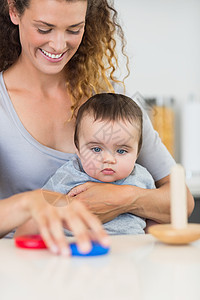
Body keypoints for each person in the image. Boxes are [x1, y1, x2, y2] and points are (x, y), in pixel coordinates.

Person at [0, 1, 194, 251]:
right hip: (21, 271)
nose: (59, 45)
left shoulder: (113, 101)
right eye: (44, 28)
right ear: (14, 10)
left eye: (73, 29)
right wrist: (30, 204)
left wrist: (126, 199)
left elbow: (182, 202)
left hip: (109, 273)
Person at [43, 93, 156, 235]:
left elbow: (154, 218)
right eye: (96, 149)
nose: (108, 159)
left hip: (130, 252)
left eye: (121, 151)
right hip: (77, 251)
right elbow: (42, 207)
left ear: (137, 153)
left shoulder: (143, 178)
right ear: (78, 149)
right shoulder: (68, 174)